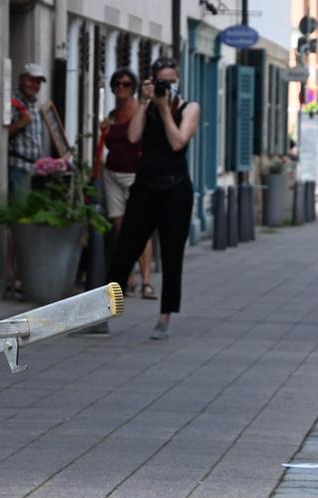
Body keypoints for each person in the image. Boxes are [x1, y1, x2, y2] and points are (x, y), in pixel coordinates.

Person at [105, 57, 200, 340]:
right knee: (124, 250)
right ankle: (103, 312)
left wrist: (164, 108)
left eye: (171, 81)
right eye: (161, 80)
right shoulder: (147, 107)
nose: (166, 86)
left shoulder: (189, 107)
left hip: (176, 189)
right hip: (144, 186)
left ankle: (164, 317)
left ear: (178, 80)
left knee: (171, 255)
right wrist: (146, 103)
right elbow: (133, 137)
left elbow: (177, 142)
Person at [95, 68, 155, 302]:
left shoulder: (140, 111)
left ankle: (147, 281)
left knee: (140, 227)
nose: (121, 88)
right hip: (112, 174)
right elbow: (110, 145)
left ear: (133, 87)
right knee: (120, 227)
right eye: (117, 84)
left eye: (126, 84)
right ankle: (128, 278)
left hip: (135, 175)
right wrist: (104, 132)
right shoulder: (111, 115)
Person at [5, 63, 50, 301]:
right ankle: (12, 274)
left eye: (38, 82)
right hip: (18, 168)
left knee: (24, 221)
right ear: (21, 79)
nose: (34, 85)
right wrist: (20, 124)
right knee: (18, 222)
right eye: (31, 80)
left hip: (32, 169)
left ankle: (20, 273)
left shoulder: (33, 105)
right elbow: (4, 133)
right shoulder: (14, 103)